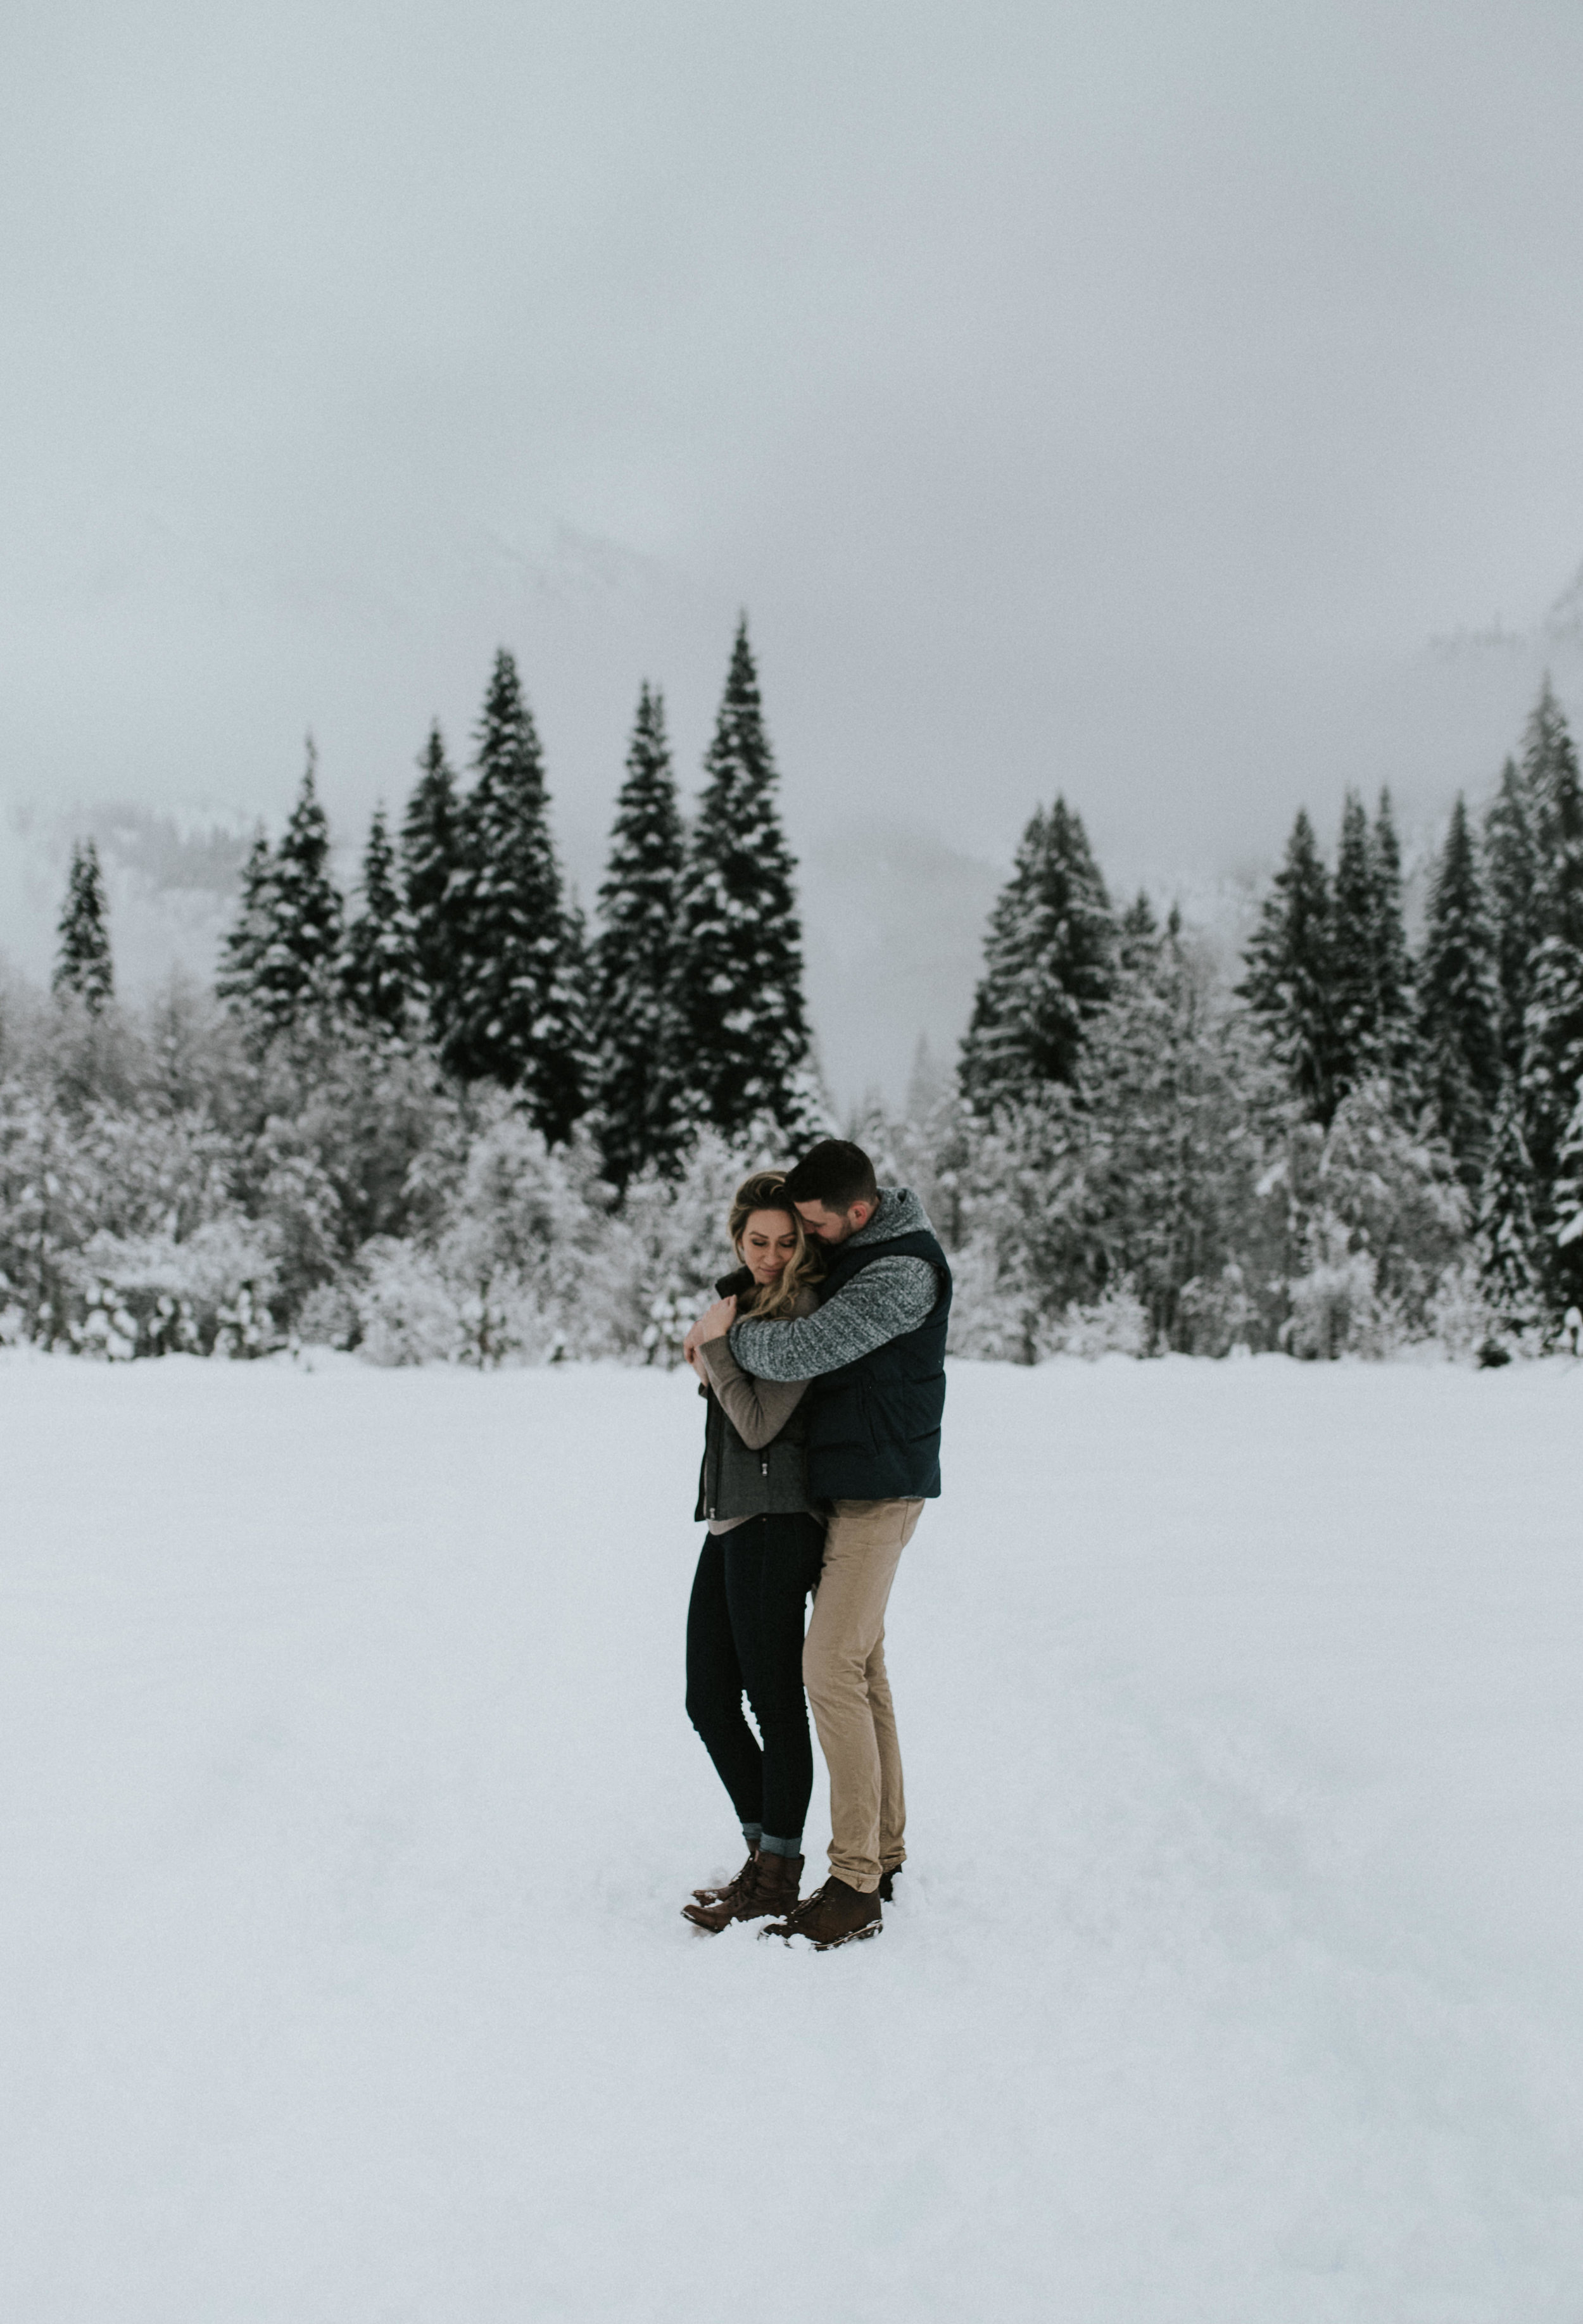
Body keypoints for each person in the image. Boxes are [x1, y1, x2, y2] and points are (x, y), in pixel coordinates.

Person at [685, 1139, 951, 1950]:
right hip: (847, 1484)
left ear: (855, 1213)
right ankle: (886, 1851)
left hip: (879, 1489)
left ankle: (855, 1881)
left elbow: (799, 1349)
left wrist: (719, 1340)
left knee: (826, 1669)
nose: (797, 1242)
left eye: (807, 1226)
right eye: (772, 1232)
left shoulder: (899, 1269)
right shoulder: (859, 1249)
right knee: (861, 1670)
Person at [679, 1171, 826, 1933]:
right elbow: (733, 1403)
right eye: (756, 1241)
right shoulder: (744, 1306)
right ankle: (759, 1855)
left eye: (783, 1241)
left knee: (774, 1702)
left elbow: (763, 1425)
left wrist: (716, 1348)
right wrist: (709, 1355)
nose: (770, 1255)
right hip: (735, 1517)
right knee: (707, 1696)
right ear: (738, 1238)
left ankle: (779, 1871)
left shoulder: (799, 1309)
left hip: (777, 1520)